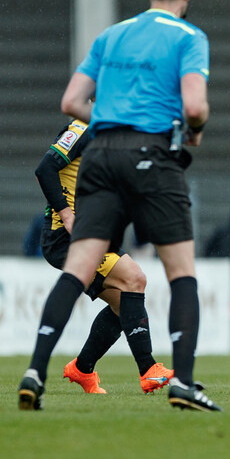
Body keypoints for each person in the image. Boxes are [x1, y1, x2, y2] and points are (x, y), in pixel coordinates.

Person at [18, 0, 218, 412]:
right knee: (175, 272)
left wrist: (106, 119)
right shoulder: (189, 37)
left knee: (121, 292)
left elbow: (71, 98)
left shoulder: (111, 37)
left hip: (105, 162)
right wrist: (194, 129)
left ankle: (54, 369)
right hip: (144, 158)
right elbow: (194, 109)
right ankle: (173, 379)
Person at [33, 118, 174, 394]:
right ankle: (148, 370)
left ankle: (83, 369)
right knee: (135, 278)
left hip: (88, 233)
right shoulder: (82, 128)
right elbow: (45, 168)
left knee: (125, 303)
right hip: (65, 236)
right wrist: (66, 213)